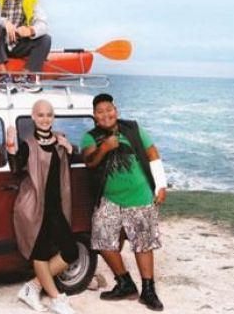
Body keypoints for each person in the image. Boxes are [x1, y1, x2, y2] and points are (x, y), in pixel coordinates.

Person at [81, 93, 167, 311]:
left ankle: (148, 291)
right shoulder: (90, 137)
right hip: (109, 199)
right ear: (94, 116)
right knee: (101, 240)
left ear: (115, 110)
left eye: (109, 109)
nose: (106, 114)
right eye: (100, 112)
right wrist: (105, 148)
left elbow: (152, 153)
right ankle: (125, 283)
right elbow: (90, 162)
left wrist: (161, 185)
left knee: (143, 243)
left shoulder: (133, 128)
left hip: (140, 196)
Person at [6, 99, 80, 314]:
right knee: (40, 253)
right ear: (33, 117)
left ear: (53, 117)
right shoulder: (28, 144)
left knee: (71, 251)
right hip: (34, 207)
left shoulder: (61, 140)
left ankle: (33, 286)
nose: (45, 119)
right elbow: (16, 169)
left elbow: (67, 166)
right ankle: (56, 299)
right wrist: (10, 145)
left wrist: (70, 149)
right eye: (40, 115)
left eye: (49, 114)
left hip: (56, 207)